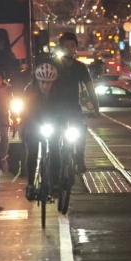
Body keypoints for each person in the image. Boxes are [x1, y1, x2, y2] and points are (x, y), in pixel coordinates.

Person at [22, 61, 86, 199]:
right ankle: (31, 184)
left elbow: (64, 110)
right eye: (43, 82)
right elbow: (26, 112)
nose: (46, 86)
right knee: (32, 152)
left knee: (55, 150)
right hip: (35, 123)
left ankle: (56, 183)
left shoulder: (60, 92)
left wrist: (63, 123)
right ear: (37, 81)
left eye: (49, 83)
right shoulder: (30, 91)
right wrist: (26, 127)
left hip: (52, 122)